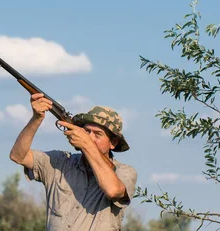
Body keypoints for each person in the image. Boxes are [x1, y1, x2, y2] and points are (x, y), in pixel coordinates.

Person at [9, 93, 137, 230]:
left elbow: (113, 191)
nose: (90, 137)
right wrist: (36, 118)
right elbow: (18, 155)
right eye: (86, 131)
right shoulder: (61, 162)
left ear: (113, 142)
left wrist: (87, 145)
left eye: (98, 134)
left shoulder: (124, 172)